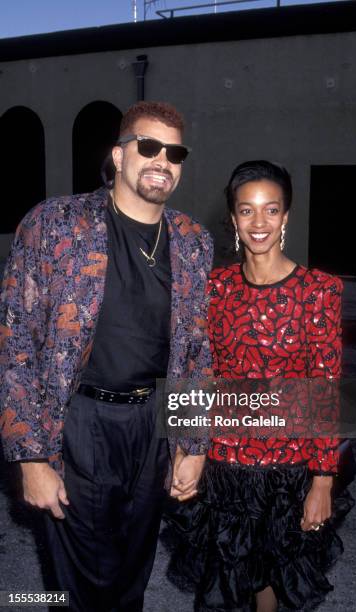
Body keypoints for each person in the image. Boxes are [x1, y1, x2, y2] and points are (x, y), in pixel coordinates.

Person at [0, 101, 213, 611]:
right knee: (80, 585)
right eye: (149, 146)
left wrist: (194, 443)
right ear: (119, 156)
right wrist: (30, 456)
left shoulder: (191, 241)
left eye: (174, 152)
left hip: (150, 425)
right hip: (77, 423)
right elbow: (15, 340)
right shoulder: (56, 223)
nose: (163, 160)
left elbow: (197, 353)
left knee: (130, 575)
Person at [165, 160, 354, 611]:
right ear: (233, 218)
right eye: (247, 211)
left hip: (285, 470)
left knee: (271, 580)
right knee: (227, 581)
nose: (259, 222)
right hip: (223, 466)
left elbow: (325, 386)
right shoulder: (214, 288)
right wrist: (183, 447)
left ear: (286, 216)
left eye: (271, 210)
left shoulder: (318, 291)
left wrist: (322, 481)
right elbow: (197, 372)